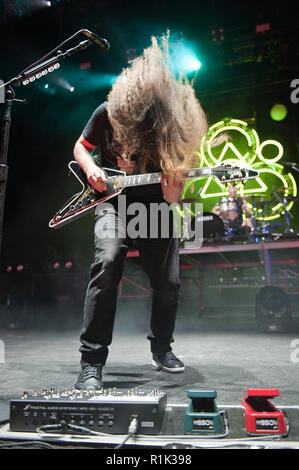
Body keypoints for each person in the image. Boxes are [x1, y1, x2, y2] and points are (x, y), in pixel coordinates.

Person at [73, 33, 210, 390]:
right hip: (113, 206)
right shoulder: (106, 113)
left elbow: (173, 196)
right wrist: (91, 169)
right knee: (106, 264)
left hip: (155, 207)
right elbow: (81, 146)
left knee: (168, 283)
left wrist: (174, 188)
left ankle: (162, 349)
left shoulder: (168, 126)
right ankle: (91, 362)